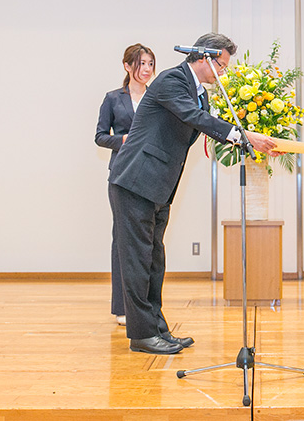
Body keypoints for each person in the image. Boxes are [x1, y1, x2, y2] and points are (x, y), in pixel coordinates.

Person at [108, 33, 277, 355]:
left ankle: (157, 329)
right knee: (137, 260)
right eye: (222, 67)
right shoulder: (172, 80)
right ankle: (142, 335)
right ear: (204, 58)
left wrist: (245, 140)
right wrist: (244, 136)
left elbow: (203, 122)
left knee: (154, 260)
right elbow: (196, 119)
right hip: (134, 182)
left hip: (158, 184)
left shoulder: (200, 94)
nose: (223, 75)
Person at [95, 43, 156, 327]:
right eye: (141, 63)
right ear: (127, 66)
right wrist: (122, 140)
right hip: (121, 174)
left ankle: (146, 306)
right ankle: (122, 307)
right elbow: (99, 136)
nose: (146, 69)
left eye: (150, 64)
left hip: (151, 174)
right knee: (122, 240)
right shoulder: (112, 99)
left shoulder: (156, 97)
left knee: (149, 243)